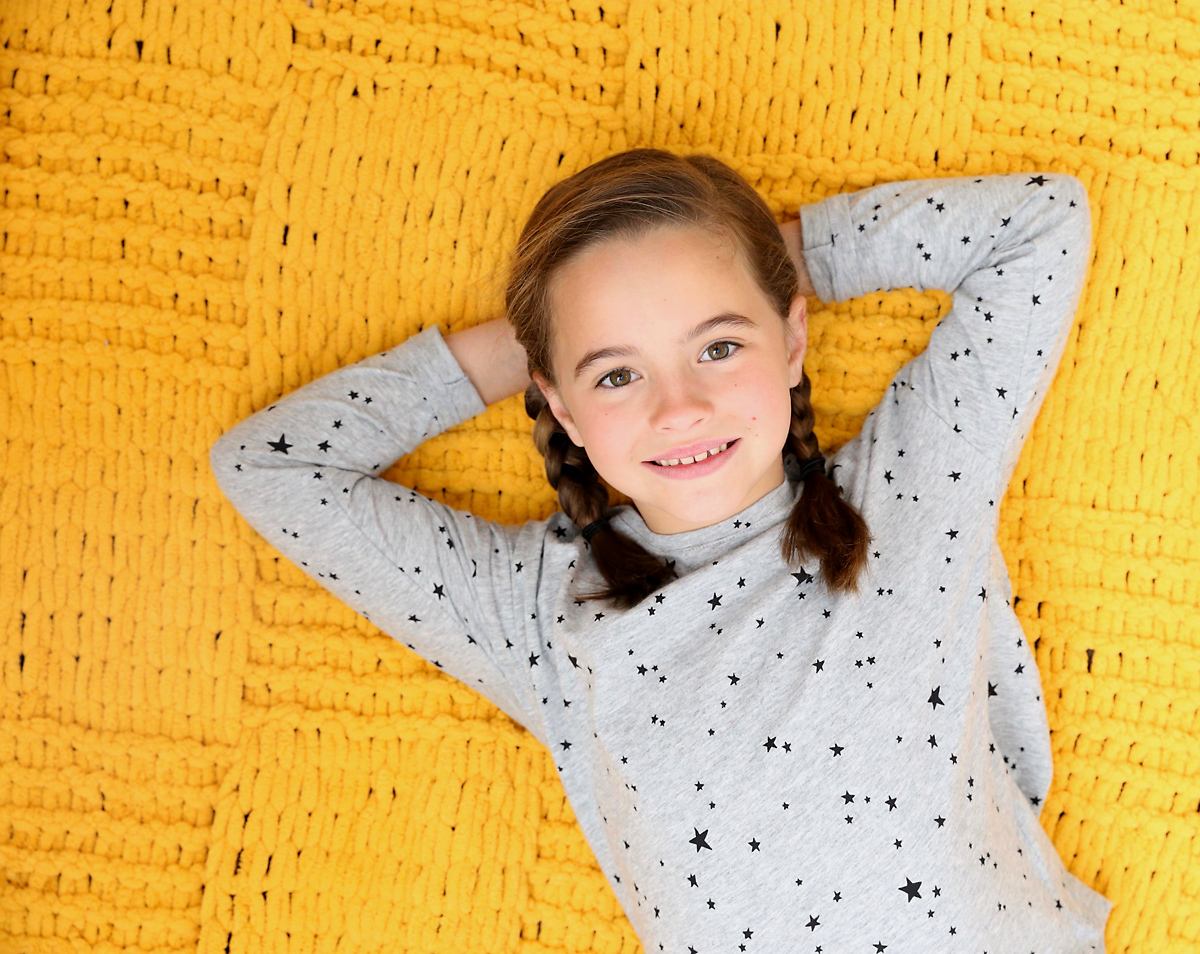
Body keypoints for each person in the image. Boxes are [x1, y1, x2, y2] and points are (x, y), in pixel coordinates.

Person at [210, 149, 1113, 951]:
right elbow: (269, 467)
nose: (678, 408)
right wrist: (523, 349)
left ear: (792, 337)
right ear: (559, 406)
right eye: (616, 373)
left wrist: (765, 256)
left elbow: (1040, 224)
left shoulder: (912, 487)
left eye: (719, 344)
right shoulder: (542, 610)